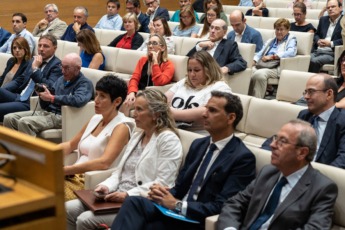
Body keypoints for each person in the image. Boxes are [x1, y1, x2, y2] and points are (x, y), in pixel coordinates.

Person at [111, 91, 256, 230]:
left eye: (212, 110)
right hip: (174, 212)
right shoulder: (199, 144)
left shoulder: (242, 158)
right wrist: (161, 193)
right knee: (134, 203)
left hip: (196, 220)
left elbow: (224, 206)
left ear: (230, 118)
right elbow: (180, 187)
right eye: (205, 108)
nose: (204, 114)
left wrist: (178, 205)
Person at [66, 89, 183, 229]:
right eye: (134, 109)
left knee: (85, 220)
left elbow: (164, 183)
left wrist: (127, 194)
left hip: (139, 202)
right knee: (67, 208)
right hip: (114, 196)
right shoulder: (137, 135)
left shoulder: (168, 140)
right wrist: (106, 186)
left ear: (155, 114)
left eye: (139, 109)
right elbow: (119, 172)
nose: (134, 113)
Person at [218, 119, 338, 230]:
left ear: (302, 152)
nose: (272, 145)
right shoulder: (268, 172)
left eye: (282, 141)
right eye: (275, 138)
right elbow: (235, 203)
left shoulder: (322, 188)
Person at [62, 75, 135, 201]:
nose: (96, 100)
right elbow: (70, 145)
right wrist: (45, 153)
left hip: (90, 181)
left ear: (117, 101)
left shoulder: (121, 126)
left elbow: (104, 162)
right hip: (73, 174)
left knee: (46, 192)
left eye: (102, 96)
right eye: (96, 94)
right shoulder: (96, 118)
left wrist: (67, 170)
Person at [262, 74, 345, 169]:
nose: (306, 97)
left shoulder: (342, 120)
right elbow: (279, 138)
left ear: (329, 94)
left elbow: (342, 160)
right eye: (305, 92)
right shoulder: (305, 115)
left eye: (311, 92)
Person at [3, 53, 94, 137]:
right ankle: (14, 150)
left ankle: (30, 154)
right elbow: (46, 102)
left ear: (78, 68)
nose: (63, 71)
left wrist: (52, 98)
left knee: (24, 122)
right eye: (62, 67)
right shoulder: (61, 79)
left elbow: (78, 100)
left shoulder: (85, 83)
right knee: (9, 118)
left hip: (62, 116)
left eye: (67, 68)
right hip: (47, 112)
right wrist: (43, 96)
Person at [166, 50, 231, 135]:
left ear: (209, 70)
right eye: (189, 70)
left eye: (197, 70)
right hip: (172, 130)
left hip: (198, 135)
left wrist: (172, 113)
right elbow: (163, 98)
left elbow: (206, 111)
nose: (192, 74)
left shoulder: (220, 87)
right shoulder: (184, 82)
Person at [0, 35, 62, 122]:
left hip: (31, 102)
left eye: (46, 46)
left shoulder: (57, 65)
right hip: (19, 96)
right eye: (39, 45)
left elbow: (49, 87)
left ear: (55, 48)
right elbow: (19, 80)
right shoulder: (33, 60)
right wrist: (3, 90)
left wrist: (35, 69)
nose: (41, 49)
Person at [123, 34, 174, 111]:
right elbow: (134, 79)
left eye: (154, 43)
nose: (150, 46)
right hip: (139, 93)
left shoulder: (168, 65)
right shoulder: (142, 60)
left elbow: (159, 82)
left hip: (153, 98)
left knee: (125, 105)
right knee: (121, 101)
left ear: (162, 47)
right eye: (149, 43)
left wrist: (155, 62)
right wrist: (132, 92)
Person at [249, 18, 297, 99]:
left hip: (277, 67)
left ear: (288, 30)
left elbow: (291, 52)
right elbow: (260, 53)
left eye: (281, 29)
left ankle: (257, 100)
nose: (279, 32)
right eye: (277, 29)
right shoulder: (271, 41)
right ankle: (248, 97)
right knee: (249, 71)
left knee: (259, 74)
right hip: (264, 64)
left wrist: (272, 56)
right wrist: (252, 62)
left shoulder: (291, 39)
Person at [309, 0, 343, 73]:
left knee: (314, 61)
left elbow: (344, 39)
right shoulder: (323, 19)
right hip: (318, 50)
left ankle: (312, 82)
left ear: (340, 8)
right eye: (328, 8)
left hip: (332, 53)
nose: (330, 9)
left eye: (333, 6)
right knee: (305, 59)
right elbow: (316, 34)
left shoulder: (344, 21)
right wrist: (318, 40)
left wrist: (330, 43)